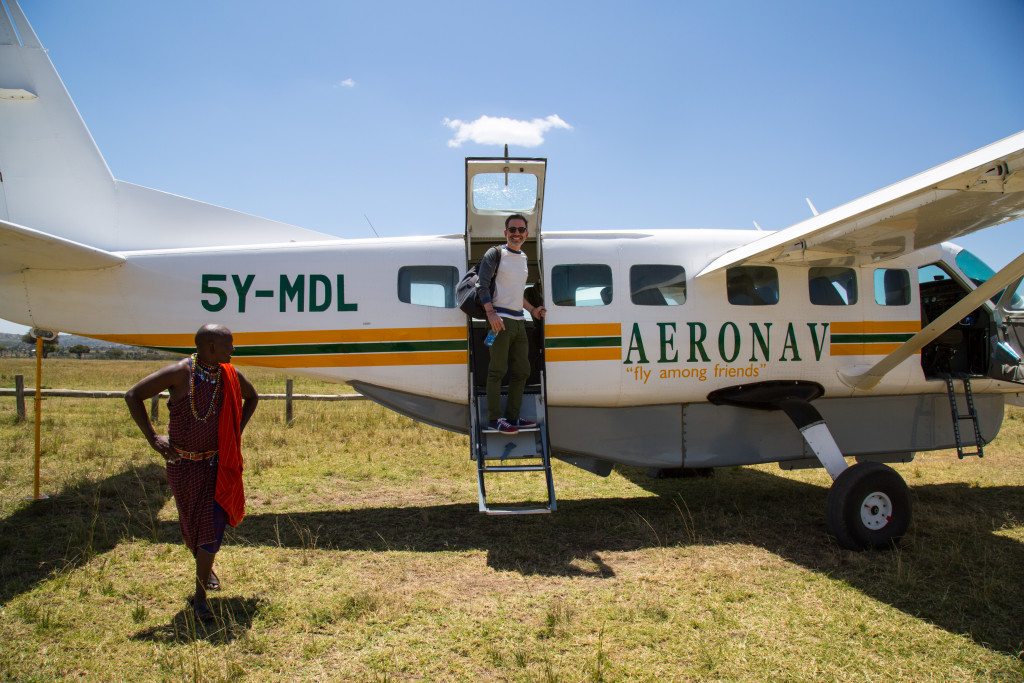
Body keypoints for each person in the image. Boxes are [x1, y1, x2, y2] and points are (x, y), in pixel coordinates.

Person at [124, 324, 258, 622]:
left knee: (212, 525)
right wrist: (153, 438)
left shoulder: (229, 375)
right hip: (182, 466)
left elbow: (253, 397)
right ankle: (205, 565)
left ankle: (199, 598)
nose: (233, 350)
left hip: (216, 465)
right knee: (192, 526)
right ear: (210, 347)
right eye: (228, 344)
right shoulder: (179, 373)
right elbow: (133, 395)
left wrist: (234, 434)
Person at [476, 214, 547, 434]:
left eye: (521, 230)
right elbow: (482, 286)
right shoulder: (496, 253)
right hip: (500, 321)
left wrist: (532, 310)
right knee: (497, 370)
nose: (517, 234)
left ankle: (513, 417)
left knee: (522, 371)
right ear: (505, 232)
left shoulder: (524, 257)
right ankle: (495, 419)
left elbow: (516, 293)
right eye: (512, 230)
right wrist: (491, 314)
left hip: (518, 321)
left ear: (527, 233)